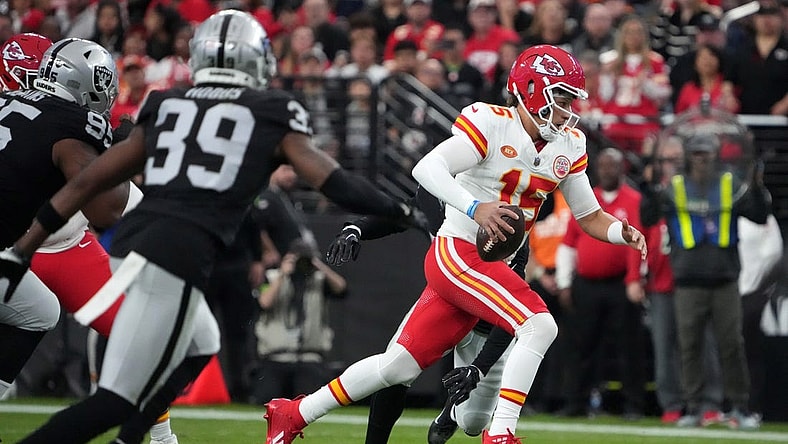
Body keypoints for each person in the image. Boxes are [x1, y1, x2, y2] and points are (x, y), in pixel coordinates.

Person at [2, 10, 427, 444]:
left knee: (202, 341)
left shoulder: (167, 103)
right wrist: (399, 211)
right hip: (172, 255)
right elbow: (333, 180)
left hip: (146, 245)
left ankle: (134, 439)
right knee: (116, 399)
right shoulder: (272, 110)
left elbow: (89, 183)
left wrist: (23, 248)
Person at [264, 44, 647, 444]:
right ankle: (503, 433)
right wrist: (476, 208)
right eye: (561, 98)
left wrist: (623, 232)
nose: (568, 111)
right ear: (531, 90)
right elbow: (427, 167)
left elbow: (589, 216)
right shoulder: (492, 122)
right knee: (540, 324)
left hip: (495, 265)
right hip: (458, 252)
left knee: (398, 369)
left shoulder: (569, 145)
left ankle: (293, 413)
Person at [325, 185, 525, 444]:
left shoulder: (508, 215)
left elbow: (513, 313)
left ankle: (452, 413)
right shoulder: (438, 190)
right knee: (395, 368)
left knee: (473, 422)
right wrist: (356, 228)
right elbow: (402, 214)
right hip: (446, 302)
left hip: (487, 322)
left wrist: (478, 368)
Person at [0, 34, 127, 425]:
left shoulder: (8, 101)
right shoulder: (74, 122)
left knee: (38, 309)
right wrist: (127, 148)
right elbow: (106, 209)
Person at [640, 132, 769, 429]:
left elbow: (760, 216)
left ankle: (739, 406)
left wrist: (758, 186)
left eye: (706, 153)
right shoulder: (674, 188)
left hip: (725, 278)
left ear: (716, 156)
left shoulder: (730, 185)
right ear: (688, 157)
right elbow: (647, 218)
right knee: (690, 346)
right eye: (696, 154)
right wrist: (648, 186)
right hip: (686, 281)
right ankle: (694, 407)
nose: (701, 159)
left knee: (731, 344)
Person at [554, 147, 647, 419]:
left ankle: (633, 405)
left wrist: (636, 279)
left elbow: (641, 242)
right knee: (582, 345)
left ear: (623, 169)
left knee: (629, 347)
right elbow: (569, 243)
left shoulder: (633, 199)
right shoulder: (588, 198)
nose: (607, 170)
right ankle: (576, 403)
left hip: (620, 283)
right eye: (603, 165)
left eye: (612, 165)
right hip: (587, 283)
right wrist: (564, 282)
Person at [251, 238, 348, 404]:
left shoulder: (320, 280)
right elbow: (264, 302)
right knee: (264, 400)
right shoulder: (272, 277)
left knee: (312, 404)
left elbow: (342, 288)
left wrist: (319, 265)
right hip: (276, 357)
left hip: (309, 358)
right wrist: (282, 274)